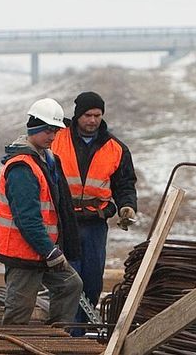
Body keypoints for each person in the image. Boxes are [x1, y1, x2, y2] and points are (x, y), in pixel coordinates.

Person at [0, 98, 83, 325]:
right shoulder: (22, 167)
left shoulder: (47, 160)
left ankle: (55, 340)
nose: (52, 136)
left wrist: (56, 247)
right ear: (34, 127)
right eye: (48, 131)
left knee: (70, 285)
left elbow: (58, 207)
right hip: (22, 253)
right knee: (19, 314)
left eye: (55, 131)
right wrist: (50, 251)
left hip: (42, 249)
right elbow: (27, 219)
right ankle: (11, 347)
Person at [51, 91, 138, 326]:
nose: (92, 120)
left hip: (95, 224)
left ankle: (81, 330)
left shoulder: (116, 149)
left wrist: (127, 206)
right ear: (77, 115)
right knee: (68, 278)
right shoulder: (56, 139)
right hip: (63, 221)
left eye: (97, 115)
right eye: (87, 115)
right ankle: (65, 328)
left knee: (91, 279)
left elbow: (125, 184)